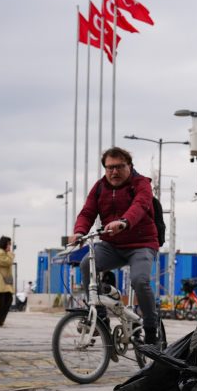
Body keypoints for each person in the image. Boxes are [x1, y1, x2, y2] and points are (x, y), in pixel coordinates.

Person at [70, 147, 160, 345]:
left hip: (142, 244)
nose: (114, 172)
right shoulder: (100, 187)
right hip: (112, 245)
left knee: (139, 280)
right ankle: (101, 318)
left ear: (129, 166)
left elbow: (141, 204)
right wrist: (79, 231)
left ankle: (152, 329)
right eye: (109, 168)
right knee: (87, 264)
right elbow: (87, 212)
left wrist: (124, 221)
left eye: (119, 167)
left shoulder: (141, 184)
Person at [0, 236, 15, 327]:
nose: (10, 245)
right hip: (1, 282)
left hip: (4, 282)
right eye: (9, 243)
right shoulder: (0, 253)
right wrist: (9, 253)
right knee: (1, 302)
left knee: (7, 299)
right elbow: (8, 262)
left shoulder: (3, 252)